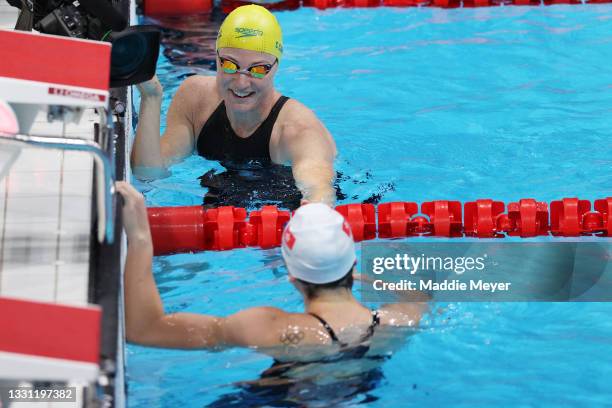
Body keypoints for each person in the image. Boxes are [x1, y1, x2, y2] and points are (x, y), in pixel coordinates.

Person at [119, 180, 428, 404]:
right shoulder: (399, 321)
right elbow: (417, 294)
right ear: (352, 263)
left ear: (293, 277)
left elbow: (144, 329)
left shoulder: (271, 328)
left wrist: (140, 237)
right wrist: (359, 275)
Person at [131, 5, 337, 206]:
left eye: (258, 69)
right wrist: (151, 97)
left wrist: (315, 210)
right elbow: (148, 173)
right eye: (230, 65)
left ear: (276, 67)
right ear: (216, 58)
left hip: (284, 207)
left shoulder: (298, 129)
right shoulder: (195, 99)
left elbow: (318, 187)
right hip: (224, 198)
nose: (241, 82)